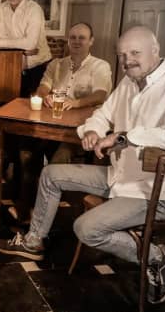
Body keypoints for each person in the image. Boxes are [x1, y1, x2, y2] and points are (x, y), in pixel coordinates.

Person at [0, 26, 165, 305]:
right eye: (122, 55)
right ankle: (34, 241)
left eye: (135, 53)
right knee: (51, 173)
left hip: (157, 191)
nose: (127, 60)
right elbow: (102, 114)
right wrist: (93, 130)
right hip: (120, 175)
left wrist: (121, 137)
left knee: (86, 228)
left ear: (155, 50)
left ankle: (160, 256)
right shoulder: (129, 82)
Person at [9, 22, 112, 223]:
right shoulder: (56, 64)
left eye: (82, 38)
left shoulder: (100, 66)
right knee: (26, 150)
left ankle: (44, 214)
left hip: (79, 130)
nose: (76, 41)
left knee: (59, 159)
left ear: (91, 41)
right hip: (51, 125)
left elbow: (101, 95)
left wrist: (75, 103)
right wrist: (44, 96)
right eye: (73, 37)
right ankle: (26, 209)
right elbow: (43, 87)